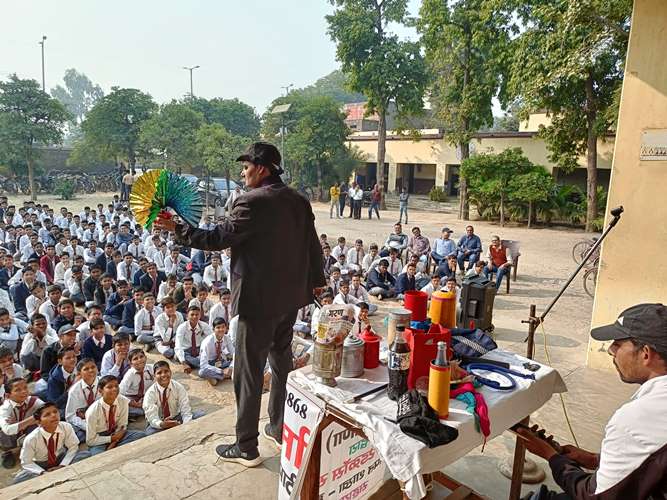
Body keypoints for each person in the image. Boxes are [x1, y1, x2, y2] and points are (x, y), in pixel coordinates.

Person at [155, 141, 325, 467]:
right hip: (290, 300)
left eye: (246, 166)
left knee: (247, 375)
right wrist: (317, 283)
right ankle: (278, 426)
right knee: (281, 364)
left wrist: (177, 228)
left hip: (258, 304)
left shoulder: (251, 202)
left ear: (261, 168)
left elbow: (218, 239)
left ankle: (246, 446)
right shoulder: (299, 200)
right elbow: (312, 245)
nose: (242, 172)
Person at [518, 304, 667, 499]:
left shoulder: (637, 418)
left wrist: (550, 456)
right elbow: (650, 463)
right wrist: (595, 460)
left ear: (645, 353)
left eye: (618, 343)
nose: (611, 350)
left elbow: (592, 495)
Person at [14, 402, 90, 483]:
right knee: (20, 479)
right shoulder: (31, 439)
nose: (53, 415)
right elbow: (27, 462)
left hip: (60, 457)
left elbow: (73, 447)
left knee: (85, 455)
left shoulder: (66, 426)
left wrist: (62, 465)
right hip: (41, 464)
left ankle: (62, 472)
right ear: (39, 422)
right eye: (47, 415)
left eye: (55, 411)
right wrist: (43, 473)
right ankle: (57, 475)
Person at [85, 375, 145, 455]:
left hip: (117, 433)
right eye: (109, 387)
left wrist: (114, 441)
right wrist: (111, 439)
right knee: (99, 455)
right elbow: (90, 440)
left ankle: (113, 450)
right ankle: (116, 450)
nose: (115, 389)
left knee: (141, 435)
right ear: (100, 391)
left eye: (116, 386)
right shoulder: (92, 411)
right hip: (100, 438)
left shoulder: (123, 401)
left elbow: (123, 425)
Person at [143, 361, 203, 435]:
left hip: (176, 418)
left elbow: (185, 410)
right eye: (159, 373)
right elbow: (152, 418)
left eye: (166, 371)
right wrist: (162, 424)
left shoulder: (178, 387)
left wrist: (186, 426)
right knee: (149, 433)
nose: (163, 375)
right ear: (154, 376)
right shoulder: (150, 393)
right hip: (160, 422)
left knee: (200, 415)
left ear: (170, 372)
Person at [0, 378, 43, 469]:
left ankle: (31, 449)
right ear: (8, 395)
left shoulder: (33, 401)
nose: (23, 392)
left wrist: (22, 423)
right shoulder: (5, 408)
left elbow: (48, 411)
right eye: (17, 390)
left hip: (24, 431)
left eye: (25, 388)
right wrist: (32, 419)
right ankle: (8, 452)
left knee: (40, 424)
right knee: (3, 432)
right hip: (10, 437)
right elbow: (8, 430)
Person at [65, 358, 99, 443]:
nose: (91, 370)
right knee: (75, 434)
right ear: (79, 373)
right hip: (83, 421)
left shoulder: (104, 383)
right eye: (86, 369)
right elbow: (70, 416)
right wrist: (87, 426)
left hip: (101, 417)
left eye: (93, 367)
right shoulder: (74, 390)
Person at [199, 317, 234, 385]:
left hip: (221, 362)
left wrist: (230, 367)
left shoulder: (227, 338)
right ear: (213, 329)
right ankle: (226, 376)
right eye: (218, 327)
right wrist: (221, 371)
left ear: (226, 328)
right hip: (210, 364)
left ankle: (216, 377)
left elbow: (234, 354)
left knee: (239, 362)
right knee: (202, 372)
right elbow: (203, 364)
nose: (221, 329)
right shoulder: (207, 342)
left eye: (223, 327)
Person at [119, 349, 153, 418]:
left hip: (144, 397)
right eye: (135, 359)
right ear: (130, 363)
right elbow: (120, 392)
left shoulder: (151, 368)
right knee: (142, 411)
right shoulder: (129, 375)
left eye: (141, 357)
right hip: (130, 397)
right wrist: (132, 403)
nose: (139, 360)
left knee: (150, 408)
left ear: (145, 358)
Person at [45, 347, 78, 413]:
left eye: (74, 356)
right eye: (68, 358)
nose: (72, 359)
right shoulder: (53, 379)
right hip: (64, 406)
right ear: (60, 361)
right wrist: (72, 388)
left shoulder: (81, 370)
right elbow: (55, 404)